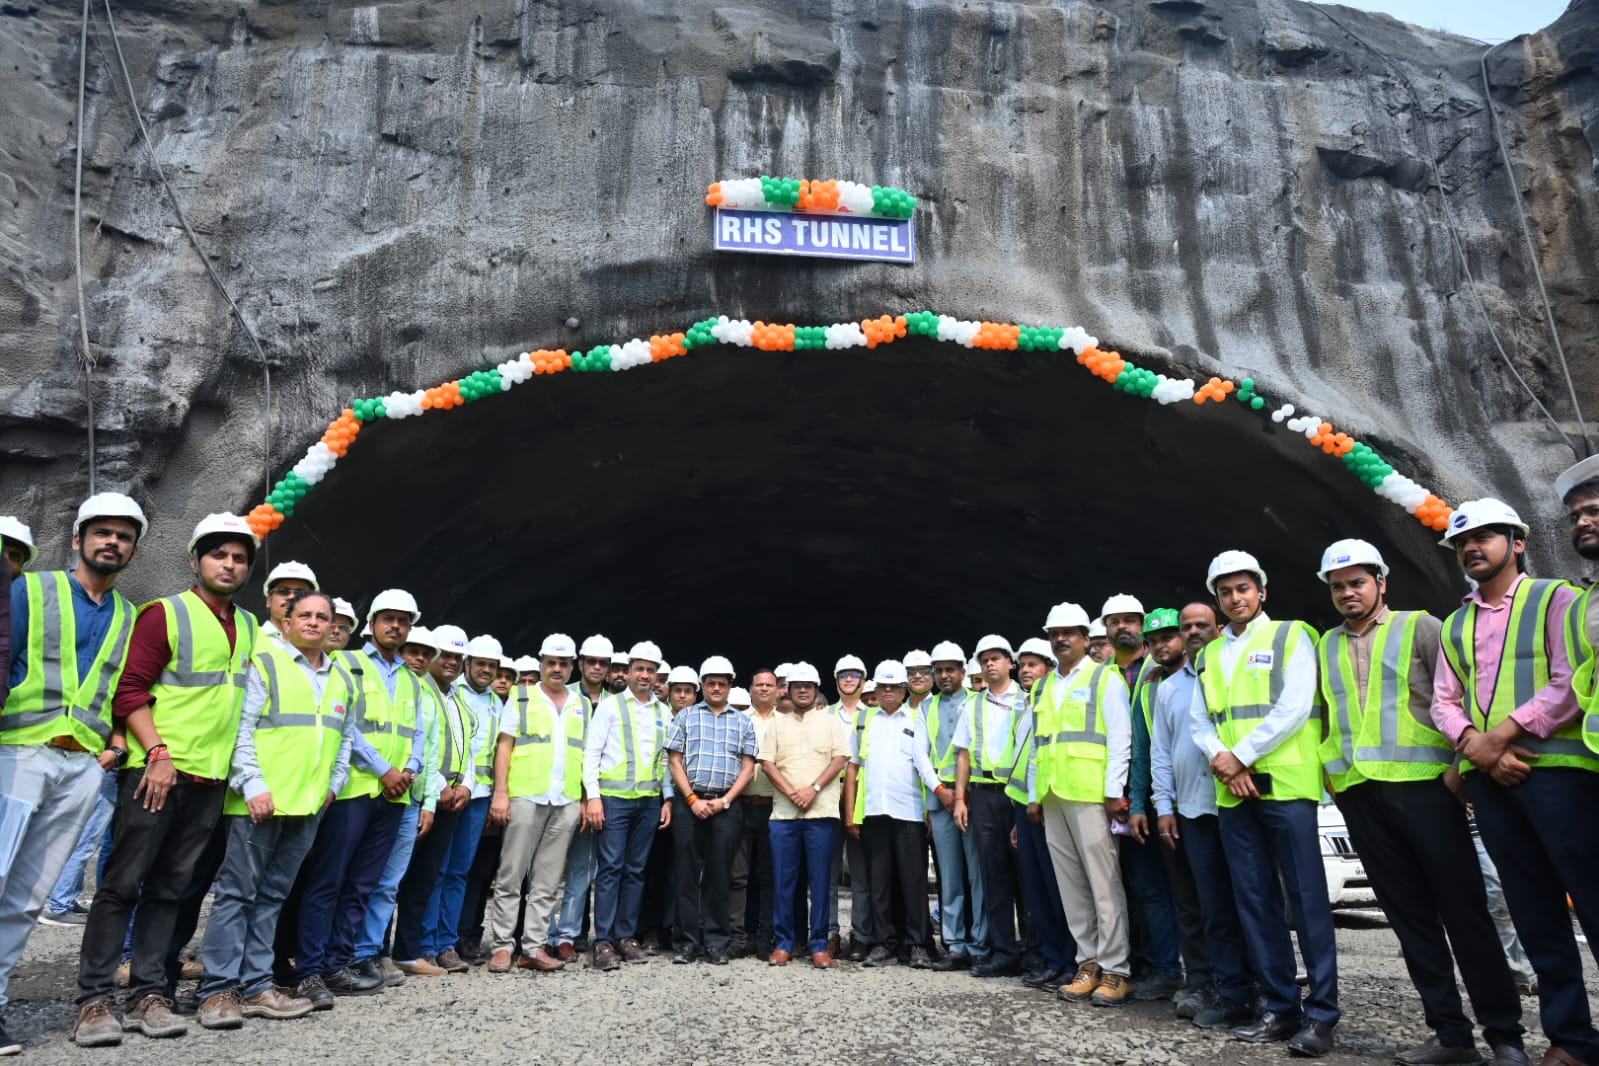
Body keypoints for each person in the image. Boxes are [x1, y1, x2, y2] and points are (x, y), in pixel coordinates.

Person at [1315, 538, 1526, 1066]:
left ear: (1381, 582)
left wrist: (1460, 768)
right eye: (1338, 586)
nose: (1347, 592)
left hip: (1427, 789)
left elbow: (1458, 698)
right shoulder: (1326, 644)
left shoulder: (1422, 627)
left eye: (1357, 582)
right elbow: (1327, 715)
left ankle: (1505, 1036)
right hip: (1361, 795)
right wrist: (1333, 779)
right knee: (1410, 921)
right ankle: (1451, 1036)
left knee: (1465, 914)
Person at [74, 512, 258, 1047]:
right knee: (121, 885)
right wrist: (156, 753)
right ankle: (94, 1000)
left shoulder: (248, 627)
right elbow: (130, 689)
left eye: (239, 557)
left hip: (209, 780)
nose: (229, 565)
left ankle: (149, 993)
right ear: (195, 561)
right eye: (218, 554)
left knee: (170, 890)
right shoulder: (164, 614)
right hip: (156, 774)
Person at [1434, 500, 1597, 1066]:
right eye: (1462, 542)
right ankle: (1571, 1040)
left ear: (1518, 542)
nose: (1471, 547)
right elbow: (1444, 702)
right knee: (1534, 913)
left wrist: (1497, 738)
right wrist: (1476, 748)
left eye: (1484, 537)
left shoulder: (1557, 599)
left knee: (1593, 901)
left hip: (1560, 776)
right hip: (1492, 784)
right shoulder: (1455, 624)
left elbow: (1571, 681)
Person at [0, 495, 144, 1052]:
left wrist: (115, 746)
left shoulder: (129, 615)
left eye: (124, 536)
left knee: (26, 899)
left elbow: (124, 689)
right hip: (18, 752)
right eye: (102, 532)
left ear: (133, 551)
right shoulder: (29, 590)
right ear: (78, 539)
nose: (112, 542)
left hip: (81, 765)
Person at [1191, 550, 1338, 1056]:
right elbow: (1200, 721)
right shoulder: (1209, 654)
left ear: (1262, 592)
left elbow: (1294, 706)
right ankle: (1280, 1007)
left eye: (1243, 589)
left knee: (1307, 901)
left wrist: (1240, 756)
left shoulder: (1292, 635)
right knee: (1255, 902)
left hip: (1287, 787)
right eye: (1226, 592)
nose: (1235, 598)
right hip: (1235, 794)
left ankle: (1322, 1015)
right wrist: (1224, 760)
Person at [195, 590, 355, 1029]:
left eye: (322, 617)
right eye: (304, 615)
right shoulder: (265, 663)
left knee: (271, 898)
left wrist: (333, 786)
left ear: (332, 626)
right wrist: (253, 786)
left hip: (307, 805)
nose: (313, 623)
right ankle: (217, 991)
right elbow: (241, 729)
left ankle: (256, 986)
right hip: (260, 803)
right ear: (287, 622)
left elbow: (344, 737)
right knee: (237, 895)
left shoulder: (340, 678)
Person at [291, 589, 425, 1005]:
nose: (396, 626)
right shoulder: (347, 664)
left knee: (362, 885)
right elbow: (346, 726)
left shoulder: (411, 679)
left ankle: (338, 964)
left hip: (394, 796)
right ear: (372, 624)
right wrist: (384, 770)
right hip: (354, 789)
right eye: (388, 619)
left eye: (403, 621)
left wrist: (410, 770)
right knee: (328, 881)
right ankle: (309, 970)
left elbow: (418, 733)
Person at [1155, 602, 1258, 1031]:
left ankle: (1256, 984)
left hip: (1240, 803)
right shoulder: (1168, 689)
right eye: (1187, 626)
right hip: (1193, 807)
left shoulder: (1235, 672)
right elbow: (1162, 751)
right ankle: (1205, 981)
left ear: (1219, 628)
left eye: (1202, 625)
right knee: (1200, 904)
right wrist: (1164, 806)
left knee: (1249, 900)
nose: (1194, 631)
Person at [1034, 601, 1133, 1008]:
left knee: (1104, 885)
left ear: (1085, 638)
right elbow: (1038, 745)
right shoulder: (1044, 686)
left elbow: (1120, 737)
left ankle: (1116, 970)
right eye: (1055, 634)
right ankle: (1087, 963)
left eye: (1068, 633)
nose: (1061, 639)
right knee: (1072, 887)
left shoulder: (1104, 678)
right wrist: (1034, 796)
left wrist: (1113, 791)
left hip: (1091, 794)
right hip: (1054, 794)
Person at [484, 634, 586, 973]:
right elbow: (505, 746)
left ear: (572, 667)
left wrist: (584, 798)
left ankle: (533, 947)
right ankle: (502, 947)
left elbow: (586, 754)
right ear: (541, 664)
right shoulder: (522, 696)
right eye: (551, 663)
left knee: (547, 880)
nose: (557, 669)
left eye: (563, 663)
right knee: (511, 875)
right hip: (526, 795)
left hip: (565, 799)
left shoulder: (581, 704)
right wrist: (501, 794)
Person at [1125, 607, 1209, 1016]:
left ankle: (1238, 981)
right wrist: (1145, 803)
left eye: (1169, 637)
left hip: (1214, 803)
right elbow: (1148, 751)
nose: (1162, 645)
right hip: (1172, 805)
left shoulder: (1209, 676)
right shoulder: (1152, 689)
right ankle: (1197, 979)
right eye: (1155, 640)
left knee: (1219, 898)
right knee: (1185, 899)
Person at [1103, 595, 1185, 1005]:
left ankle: (1177, 969)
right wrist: (1124, 796)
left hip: (1171, 792)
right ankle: (1148, 965)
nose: (1123, 627)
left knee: (1177, 886)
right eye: (1114, 621)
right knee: (1139, 885)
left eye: (1130, 620)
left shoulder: (1164, 669)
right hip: (1128, 796)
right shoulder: (1104, 675)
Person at [351, 625, 444, 985]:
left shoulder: (420, 690)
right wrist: (387, 771)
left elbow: (427, 748)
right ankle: (346, 952)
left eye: (425, 653)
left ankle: (371, 952)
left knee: (389, 883)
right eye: (413, 651)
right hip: (369, 789)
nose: (419, 658)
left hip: (408, 795)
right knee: (360, 877)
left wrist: (427, 798)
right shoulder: (367, 673)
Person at [584, 640, 672, 971]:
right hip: (614, 800)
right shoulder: (610, 706)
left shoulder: (663, 712)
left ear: (656, 675)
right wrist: (593, 796)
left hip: (648, 802)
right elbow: (592, 752)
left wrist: (667, 799)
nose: (645, 675)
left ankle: (626, 936)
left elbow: (665, 760)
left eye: (651, 670)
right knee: (610, 869)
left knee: (636, 870)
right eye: (640, 669)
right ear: (629, 671)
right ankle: (603, 941)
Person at [844, 660, 938, 969]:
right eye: (882, 687)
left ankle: (918, 944)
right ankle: (883, 944)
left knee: (913, 882)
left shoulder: (917, 718)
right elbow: (854, 768)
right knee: (879, 884)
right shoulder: (866, 720)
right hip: (874, 811)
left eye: (894, 687)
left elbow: (924, 764)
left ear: (903, 690)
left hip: (910, 810)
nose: (887, 692)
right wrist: (851, 814)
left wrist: (931, 806)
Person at [665, 655, 757, 965]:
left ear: (730, 686)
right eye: (711, 683)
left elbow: (748, 768)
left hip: (726, 807)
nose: (716, 688)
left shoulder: (743, 721)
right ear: (702, 686)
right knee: (686, 874)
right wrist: (692, 799)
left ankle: (716, 942)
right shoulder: (686, 717)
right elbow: (674, 760)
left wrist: (725, 801)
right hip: (690, 803)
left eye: (722, 683)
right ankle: (686, 942)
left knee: (719, 875)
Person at [391, 627, 472, 978]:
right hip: (423, 794)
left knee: (424, 879)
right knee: (393, 879)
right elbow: (422, 746)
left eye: (457, 657)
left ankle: (408, 952)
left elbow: (467, 745)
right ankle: (374, 953)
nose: (451, 662)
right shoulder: (420, 688)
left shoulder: (457, 697)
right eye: (445, 655)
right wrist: (439, 786)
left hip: (448, 798)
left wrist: (465, 784)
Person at [758, 662, 849, 968]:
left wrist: (813, 789)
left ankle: (819, 944)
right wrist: (791, 792)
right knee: (784, 881)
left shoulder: (831, 722)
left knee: (820, 881)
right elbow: (767, 763)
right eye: (797, 687)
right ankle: (784, 943)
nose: (802, 691)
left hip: (821, 812)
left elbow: (840, 759)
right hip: (784, 815)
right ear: (789, 690)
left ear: (815, 689)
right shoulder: (776, 724)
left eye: (808, 687)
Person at [952, 635, 1029, 978]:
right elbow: (963, 754)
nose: (989, 664)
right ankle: (1003, 952)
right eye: (984, 660)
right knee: (993, 875)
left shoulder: (1026, 700)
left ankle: (1034, 950)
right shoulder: (973, 705)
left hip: (1017, 794)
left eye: (996, 658)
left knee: (1026, 875)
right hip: (983, 796)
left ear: (1010, 663)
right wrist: (960, 798)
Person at [431, 634, 503, 972]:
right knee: (436, 870)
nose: (486, 670)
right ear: (468, 663)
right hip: (445, 793)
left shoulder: (497, 702)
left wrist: (490, 793)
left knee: (460, 871)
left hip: (478, 796)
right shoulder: (451, 691)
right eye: (480, 664)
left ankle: (449, 942)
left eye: (492, 665)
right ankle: (425, 941)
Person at [1012, 637, 1076, 992]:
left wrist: (1037, 800)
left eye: (1033, 664)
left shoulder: (1053, 700)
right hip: (1025, 804)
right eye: (1022, 665)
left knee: (1058, 888)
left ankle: (1070, 961)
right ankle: (1053, 960)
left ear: (1050, 668)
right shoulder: (1027, 704)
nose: (1025, 670)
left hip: (1049, 802)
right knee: (1037, 889)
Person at [548, 634, 615, 960]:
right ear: (581, 664)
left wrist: (592, 797)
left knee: (582, 870)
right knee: (546, 869)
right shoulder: (562, 694)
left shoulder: (616, 702)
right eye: (591, 661)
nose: (597, 667)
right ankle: (542, 933)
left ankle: (567, 935)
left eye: (603, 662)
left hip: (593, 797)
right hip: (558, 794)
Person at [922, 640, 985, 971]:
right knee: (950, 878)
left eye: (950, 669)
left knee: (978, 875)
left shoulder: (979, 702)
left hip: (973, 797)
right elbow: (920, 755)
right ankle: (955, 944)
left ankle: (981, 942)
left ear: (963, 671)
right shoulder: (926, 707)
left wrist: (961, 793)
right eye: (939, 670)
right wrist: (940, 790)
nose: (944, 675)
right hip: (940, 798)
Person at [729, 668, 778, 959]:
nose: (763, 689)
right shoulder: (737, 719)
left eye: (769, 685)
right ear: (750, 689)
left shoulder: (783, 722)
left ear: (777, 690)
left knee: (768, 875)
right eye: (758, 684)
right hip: (741, 804)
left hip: (773, 806)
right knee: (738, 875)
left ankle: (764, 936)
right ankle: (738, 935)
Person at [827, 653, 873, 961]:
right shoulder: (825, 714)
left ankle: (860, 935)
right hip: (829, 794)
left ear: (863, 681)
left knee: (861, 872)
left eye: (854, 675)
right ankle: (830, 933)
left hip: (861, 796)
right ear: (836, 681)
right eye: (843, 675)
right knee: (827, 871)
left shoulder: (873, 715)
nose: (848, 679)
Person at [256, 562, 318, 651]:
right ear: (268, 600)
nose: (291, 597)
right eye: (283, 591)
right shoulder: (251, 638)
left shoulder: (319, 645)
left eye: (300, 593)